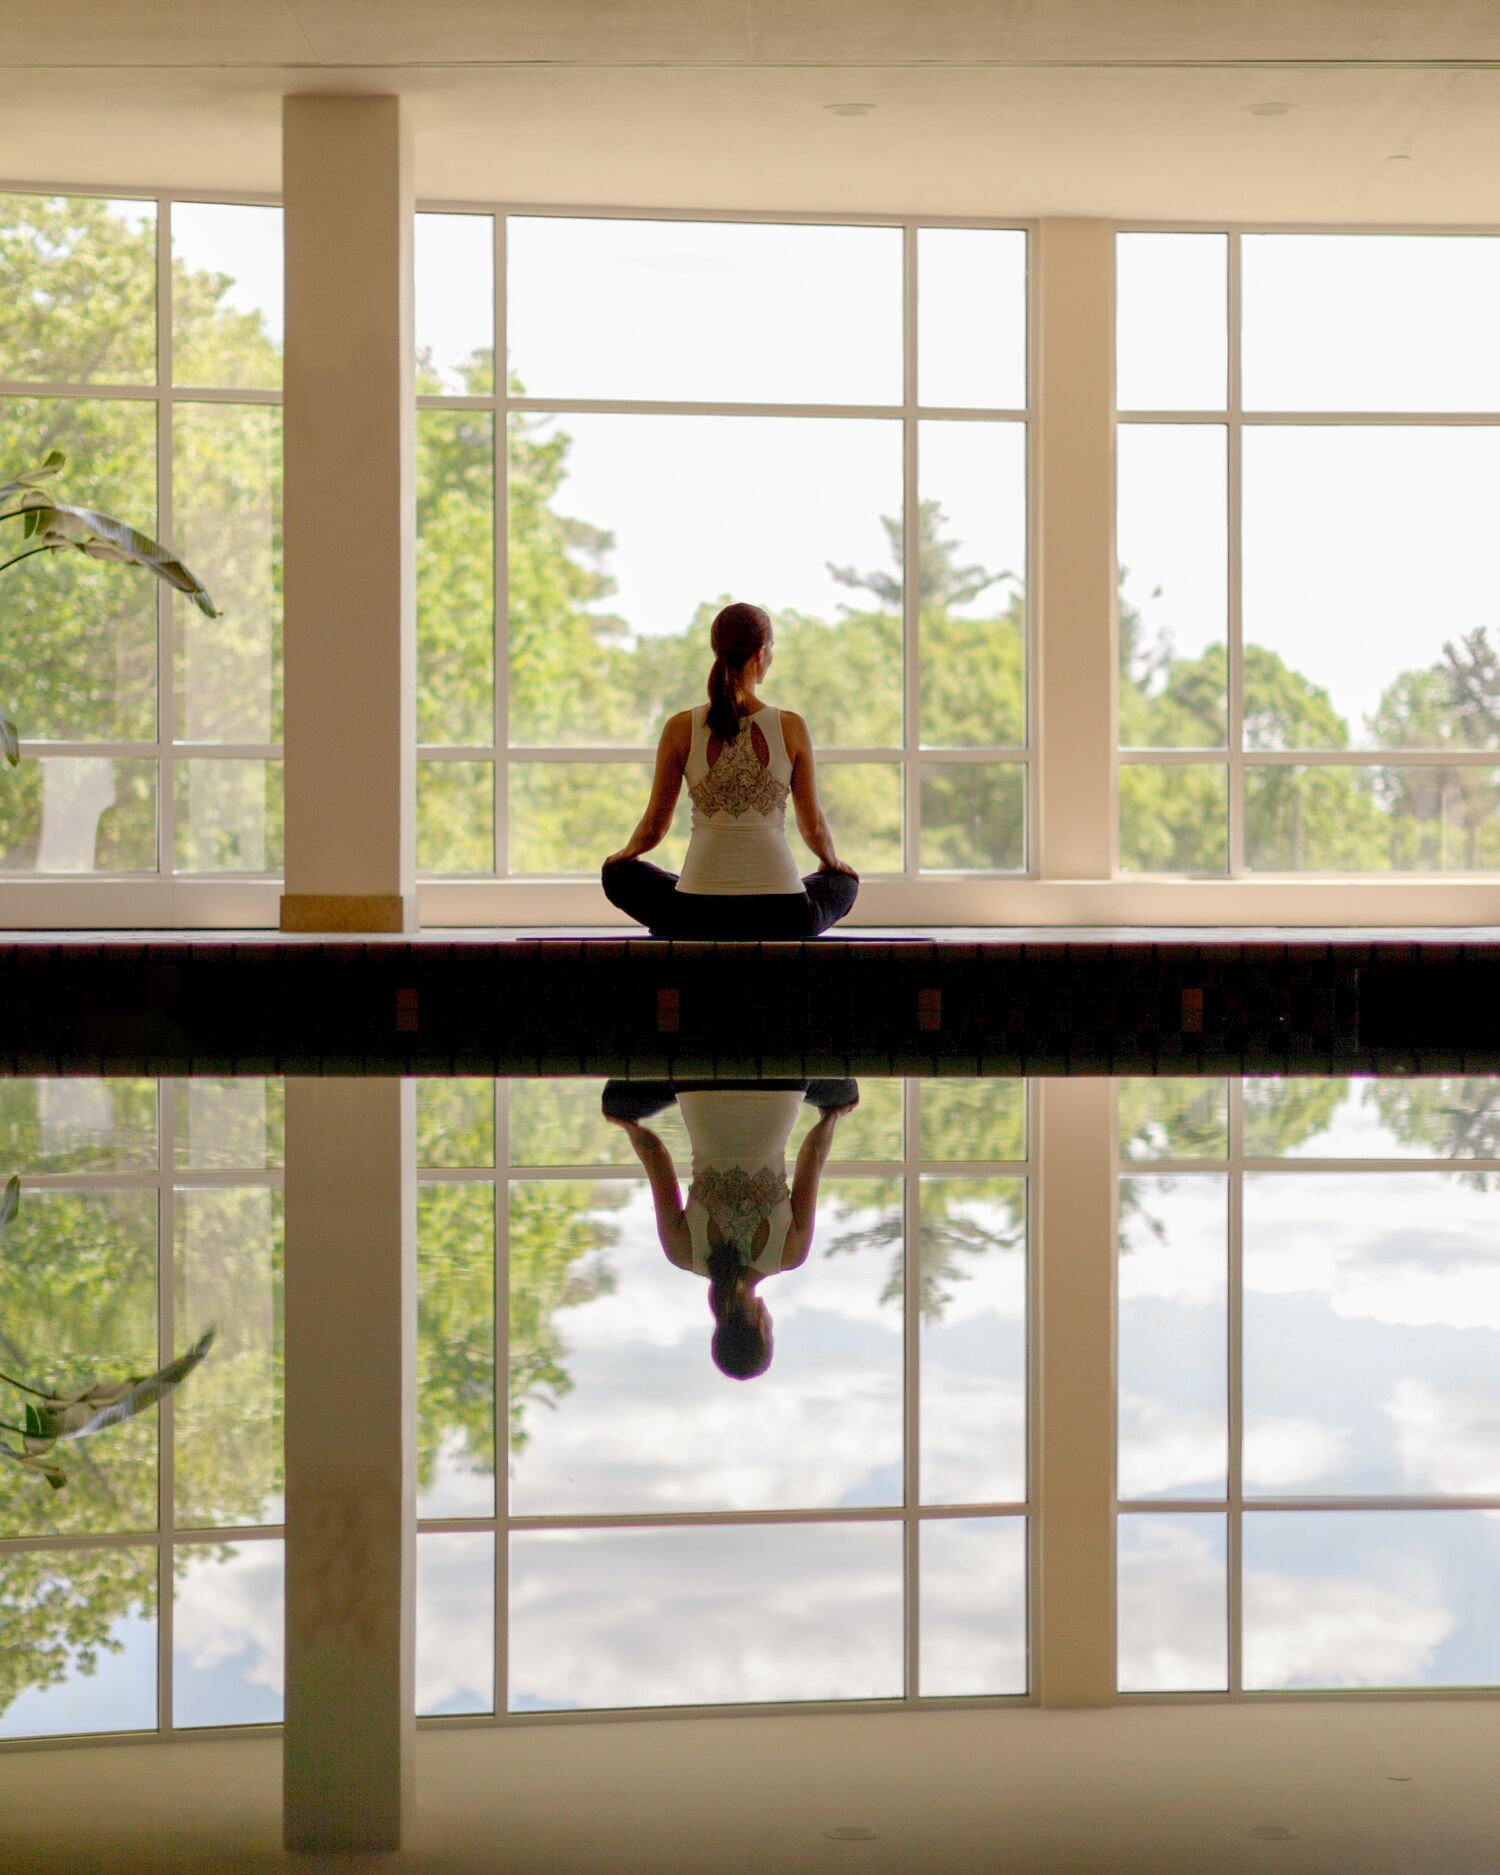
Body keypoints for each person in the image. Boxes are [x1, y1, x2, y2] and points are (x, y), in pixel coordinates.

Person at [602, 600, 859, 938]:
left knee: (618, 875)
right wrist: (833, 863)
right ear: (761, 653)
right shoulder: (791, 726)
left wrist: (622, 857)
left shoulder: (680, 727)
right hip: (786, 915)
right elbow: (814, 826)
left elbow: (654, 827)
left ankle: (696, 894)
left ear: (716, 650)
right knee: (844, 882)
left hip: (694, 915)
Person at [602, 1078, 859, 1379]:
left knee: (846, 1094)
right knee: (615, 1103)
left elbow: (813, 1153)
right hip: (696, 1081)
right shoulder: (682, 1251)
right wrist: (627, 1125)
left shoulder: (790, 1253)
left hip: (783, 1080)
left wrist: (832, 1116)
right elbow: (654, 1153)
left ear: (761, 1328)